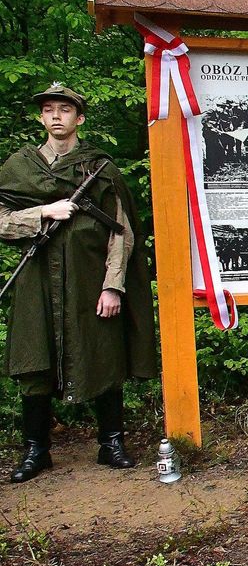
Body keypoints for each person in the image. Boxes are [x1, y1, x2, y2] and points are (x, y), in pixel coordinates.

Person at [1, 83, 157, 483]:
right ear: (41, 118)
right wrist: (42, 212)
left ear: (79, 118)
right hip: (36, 280)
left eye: (65, 110)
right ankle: (37, 451)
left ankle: (111, 443)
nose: (56, 116)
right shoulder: (19, 167)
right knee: (34, 357)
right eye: (49, 110)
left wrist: (112, 285)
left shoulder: (100, 168)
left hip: (91, 280)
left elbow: (122, 232)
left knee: (102, 353)